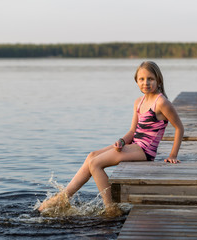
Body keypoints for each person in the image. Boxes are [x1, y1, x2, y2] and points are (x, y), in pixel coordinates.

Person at [38, 61, 184, 216]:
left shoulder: (161, 102)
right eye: (141, 79)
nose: (146, 83)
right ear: (136, 81)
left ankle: (111, 208)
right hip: (134, 145)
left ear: (158, 80)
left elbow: (179, 128)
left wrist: (172, 155)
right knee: (92, 156)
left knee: (96, 164)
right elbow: (132, 131)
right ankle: (63, 197)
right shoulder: (138, 102)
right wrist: (122, 141)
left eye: (150, 79)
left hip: (145, 151)